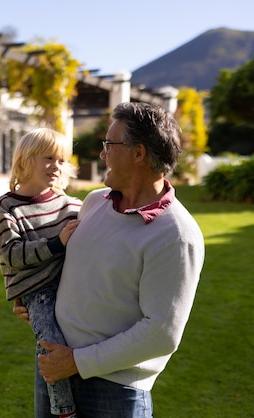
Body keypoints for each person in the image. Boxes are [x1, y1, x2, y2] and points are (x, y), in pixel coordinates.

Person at [19, 102, 205, 417]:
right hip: (54, 367)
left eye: (109, 144)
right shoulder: (94, 202)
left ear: (138, 153)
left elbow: (162, 333)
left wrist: (77, 362)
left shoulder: (176, 234)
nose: (102, 153)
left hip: (115, 390)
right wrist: (34, 300)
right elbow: (78, 271)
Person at [0, 127, 82, 418]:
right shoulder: (8, 206)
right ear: (25, 160)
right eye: (48, 158)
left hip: (69, 288)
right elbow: (12, 254)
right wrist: (57, 243)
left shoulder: (70, 205)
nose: (56, 166)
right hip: (37, 294)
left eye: (61, 160)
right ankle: (63, 409)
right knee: (51, 345)